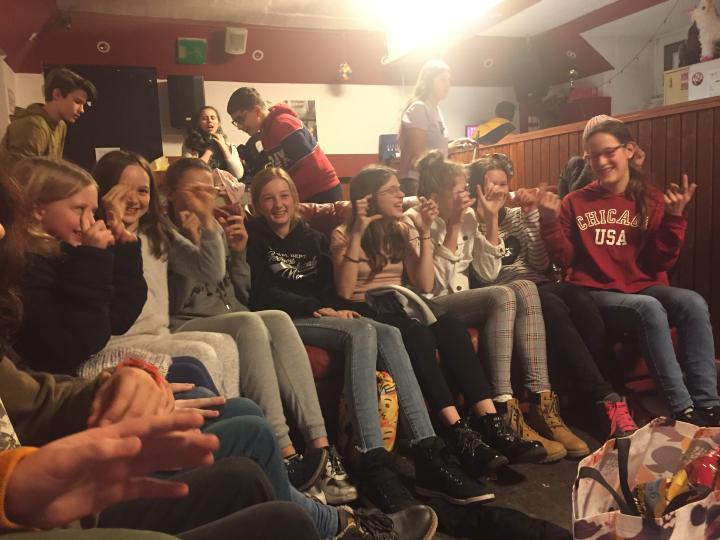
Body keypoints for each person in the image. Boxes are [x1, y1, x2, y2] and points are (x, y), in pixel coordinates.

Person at [0, 166, 321, 540]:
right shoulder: (56, 259)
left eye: (143, 190)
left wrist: (111, 388)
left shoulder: (121, 238)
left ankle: (309, 452)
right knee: (215, 366)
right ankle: (300, 482)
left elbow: (119, 313)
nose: (135, 199)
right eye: (80, 208)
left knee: (239, 414)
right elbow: (86, 340)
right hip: (124, 349)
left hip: (109, 367)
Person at [94, 152, 355, 503]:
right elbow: (184, 291)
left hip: (215, 317)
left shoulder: (158, 231)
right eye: (194, 191)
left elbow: (224, 280)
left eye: (208, 191)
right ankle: (282, 450)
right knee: (246, 325)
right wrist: (196, 233)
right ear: (170, 193)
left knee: (274, 318)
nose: (202, 197)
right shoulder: (136, 231)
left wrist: (222, 239)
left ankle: (320, 446)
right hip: (179, 325)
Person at [247, 166, 498, 512]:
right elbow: (261, 293)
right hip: (287, 318)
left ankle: (428, 451)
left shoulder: (311, 237)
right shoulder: (254, 237)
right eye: (268, 199)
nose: (278, 204)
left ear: (295, 198)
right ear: (257, 205)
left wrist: (334, 309)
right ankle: (372, 459)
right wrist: (320, 308)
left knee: (391, 332)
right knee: (365, 330)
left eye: (284, 195)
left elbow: (330, 288)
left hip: (322, 312)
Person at [330, 166, 555, 473]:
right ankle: (455, 428)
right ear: (369, 198)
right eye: (392, 190)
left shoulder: (400, 229)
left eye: (399, 189)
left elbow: (424, 283)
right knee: (418, 334)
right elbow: (345, 290)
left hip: (398, 305)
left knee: (451, 328)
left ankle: (490, 421)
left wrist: (423, 232)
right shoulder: (343, 234)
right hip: (364, 310)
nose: (401, 195)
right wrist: (358, 230)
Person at [410, 152, 597, 454]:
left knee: (524, 286)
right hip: (432, 303)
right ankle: (503, 406)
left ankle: (540, 401)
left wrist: (491, 219)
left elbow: (488, 272)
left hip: (462, 299)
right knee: (504, 293)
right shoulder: (416, 219)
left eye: (465, 189)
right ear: (436, 194)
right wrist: (453, 225)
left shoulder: (470, 217)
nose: (466, 195)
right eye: (460, 189)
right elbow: (432, 285)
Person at [538, 117, 720, 426]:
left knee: (693, 302)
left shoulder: (650, 198)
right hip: (595, 292)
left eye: (609, 152)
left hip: (641, 285)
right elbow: (564, 260)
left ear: (629, 150)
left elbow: (659, 263)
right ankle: (682, 408)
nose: (601, 162)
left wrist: (675, 218)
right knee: (648, 308)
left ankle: (709, 404)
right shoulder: (574, 202)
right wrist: (548, 222)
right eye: (593, 156)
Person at [467, 152, 635, 442]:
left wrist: (532, 215)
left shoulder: (518, 215)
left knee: (579, 297)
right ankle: (602, 397)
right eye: (492, 184)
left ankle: (614, 394)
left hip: (540, 283)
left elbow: (540, 263)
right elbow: (487, 277)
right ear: (476, 188)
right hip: (509, 292)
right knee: (552, 304)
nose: (499, 191)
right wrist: (491, 217)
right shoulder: (470, 223)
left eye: (503, 184)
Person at [226, 88, 342, 203]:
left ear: (257, 111)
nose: (239, 127)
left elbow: (309, 166)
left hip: (322, 192)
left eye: (241, 119)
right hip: (306, 194)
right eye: (236, 122)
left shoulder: (283, 124)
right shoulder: (266, 133)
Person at [397, 59, 474, 196]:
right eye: (442, 79)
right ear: (428, 81)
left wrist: (454, 146)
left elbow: (433, 150)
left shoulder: (436, 110)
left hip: (430, 180)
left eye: (449, 80)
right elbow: (420, 156)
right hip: (415, 182)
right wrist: (454, 169)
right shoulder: (419, 108)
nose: (448, 84)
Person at [0, 68, 96, 173]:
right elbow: (19, 176)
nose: (82, 110)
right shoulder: (33, 126)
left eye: (83, 104)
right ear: (57, 94)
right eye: (77, 102)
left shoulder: (61, 125)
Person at [558, 115, 645, 198]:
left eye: (609, 152)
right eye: (595, 154)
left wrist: (636, 166)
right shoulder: (578, 164)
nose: (602, 162)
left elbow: (634, 192)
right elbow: (578, 198)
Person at [181, 105, 244, 179]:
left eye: (213, 118)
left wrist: (224, 148)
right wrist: (209, 151)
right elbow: (191, 174)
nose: (209, 121)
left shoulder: (229, 145)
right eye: (204, 118)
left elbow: (238, 175)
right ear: (198, 123)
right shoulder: (190, 144)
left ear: (219, 123)